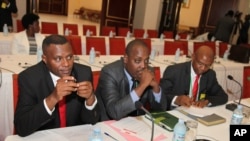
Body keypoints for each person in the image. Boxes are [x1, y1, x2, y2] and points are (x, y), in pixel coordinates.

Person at [14, 35, 101, 137]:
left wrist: (90, 99)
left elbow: (92, 121)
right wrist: (52, 98)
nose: (66, 64)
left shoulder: (83, 73)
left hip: (74, 136)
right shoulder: (29, 78)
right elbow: (21, 127)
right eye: (58, 59)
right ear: (45, 59)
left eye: (69, 57)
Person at [95, 39, 167, 120]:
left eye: (146, 60)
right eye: (137, 61)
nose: (143, 66)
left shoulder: (148, 71)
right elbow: (114, 112)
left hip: (136, 123)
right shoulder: (109, 73)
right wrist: (142, 85)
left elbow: (161, 110)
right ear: (126, 58)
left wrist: (156, 87)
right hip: (109, 123)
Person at [160, 46, 228, 110]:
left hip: (197, 113)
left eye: (208, 65)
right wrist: (177, 99)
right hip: (175, 112)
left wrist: (206, 102)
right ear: (193, 57)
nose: (203, 68)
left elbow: (223, 96)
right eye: (200, 64)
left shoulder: (210, 75)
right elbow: (160, 96)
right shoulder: (174, 71)